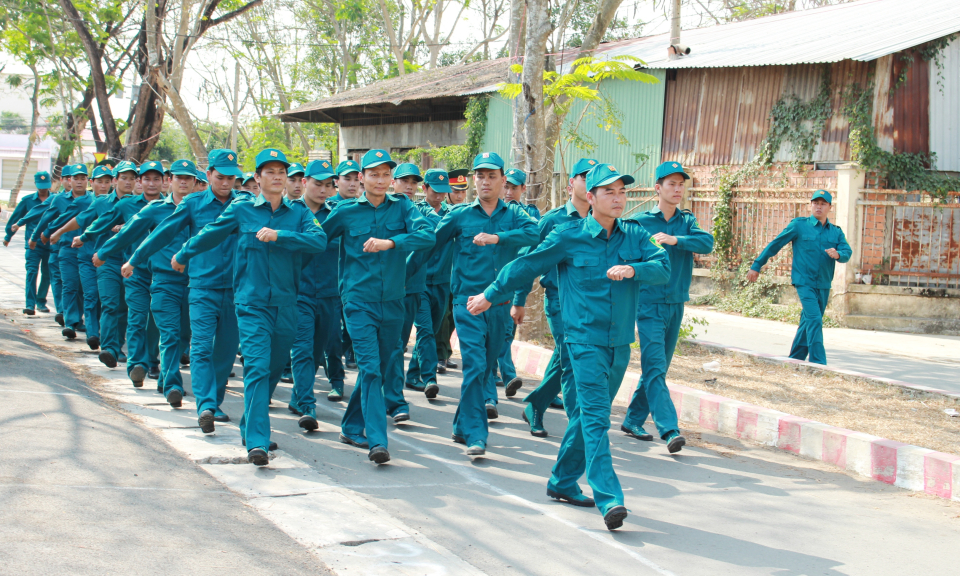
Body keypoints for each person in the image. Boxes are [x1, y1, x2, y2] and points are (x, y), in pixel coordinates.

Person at [468, 163, 670, 530]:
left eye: (622, 191)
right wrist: (490, 295)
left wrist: (633, 270)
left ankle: (562, 481)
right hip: (582, 341)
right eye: (609, 192)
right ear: (590, 197)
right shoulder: (567, 236)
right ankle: (610, 498)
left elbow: (663, 267)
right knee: (596, 417)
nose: (618, 198)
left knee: (586, 417)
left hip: (620, 342)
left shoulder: (637, 237)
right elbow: (525, 265)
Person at [172, 148, 327, 466]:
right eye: (269, 171)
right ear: (257, 178)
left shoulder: (298, 213)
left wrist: (280, 236)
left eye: (281, 172)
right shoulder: (242, 209)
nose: (277, 176)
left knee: (272, 368)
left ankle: (248, 426)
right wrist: (183, 254)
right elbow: (210, 234)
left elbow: (319, 241)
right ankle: (257, 441)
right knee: (256, 367)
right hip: (251, 303)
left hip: (286, 304)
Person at [322, 149, 434, 465]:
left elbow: (427, 236)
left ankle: (350, 426)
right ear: (361, 178)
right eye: (374, 174)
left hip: (393, 301)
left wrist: (392, 243)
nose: (381, 180)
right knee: (370, 368)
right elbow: (318, 241)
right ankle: (377, 441)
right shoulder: (345, 212)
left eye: (386, 174)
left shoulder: (403, 208)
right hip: (358, 302)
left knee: (380, 369)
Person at [428, 152, 538, 456]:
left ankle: (461, 424)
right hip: (467, 303)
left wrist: (498, 238)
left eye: (492, 176)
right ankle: (477, 434)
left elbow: (536, 233)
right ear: (474, 180)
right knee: (475, 365)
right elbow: (431, 245)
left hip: (499, 304)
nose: (485, 181)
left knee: (486, 368)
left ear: (504, 180)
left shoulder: (514, 215)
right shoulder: (460, 215)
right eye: (480, 175)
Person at [131, 150, 244, 431]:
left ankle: (213, 401)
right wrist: (135, 259)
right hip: (202, 288)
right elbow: (163, 233)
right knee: (202, 347)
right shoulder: (194, 204)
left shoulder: (246, 205)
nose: (226, 183)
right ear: (208, 175)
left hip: (236, 290)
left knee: (226, 352)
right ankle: (205, 404)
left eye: (231, 178)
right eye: (221, 177)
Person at [621, 162, 714, 452]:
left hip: (676, 304)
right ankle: (669, 428)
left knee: (656, 368)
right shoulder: (639, 223)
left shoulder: (687, 222)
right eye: (671, 184)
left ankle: (633, 419)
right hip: (648, 304)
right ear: (658, 188)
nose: (677, 189)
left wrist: (677, 240)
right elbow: (624, 257)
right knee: (656, 367)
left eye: (680, 184)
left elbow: (707, 243)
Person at [519, 159, 598, 437]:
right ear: (570, 185)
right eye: (584, 177)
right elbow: (529, 259)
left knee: (567, 354)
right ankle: (578, 425)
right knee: (572, 356)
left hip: (590, 304)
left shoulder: (601, 222)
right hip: (558, 300)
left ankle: (536, 402)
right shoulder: (553, 220)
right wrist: (518, 300)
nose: (589, 181)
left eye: (594, 178)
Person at [113, 160, 198, 407]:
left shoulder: (201, 209)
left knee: (181, 333)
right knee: (143, 320)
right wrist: (105, 250)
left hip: (191, 281)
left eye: (189, 178)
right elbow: (130, 234)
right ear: (170, 180)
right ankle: (144, 367)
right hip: (148, 275)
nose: (183, 182)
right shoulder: (154, 208)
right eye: (179, 177)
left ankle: (160, 372)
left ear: (195, 183)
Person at [747, 189, 851, 365]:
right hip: (804, 281)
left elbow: (847, 252)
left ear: (829, 207)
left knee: (808, 320)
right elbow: (775, 244)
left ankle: (795, 359)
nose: (819, 207)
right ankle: (819, 363)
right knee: (815, 318)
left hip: (824, 283)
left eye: (823, 204)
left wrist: (838, 254)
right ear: (810, 205)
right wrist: (757, 265)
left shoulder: (836, 232)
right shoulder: (799, 225)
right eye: (815, 203)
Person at [90, 161, 164, 385]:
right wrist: (85, 240)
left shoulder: (174, 207)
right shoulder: (125, 205)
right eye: (146, 179)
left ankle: (150, 359)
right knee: (126, 312)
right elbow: (99, 224)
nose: (150, 183)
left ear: (164, 181)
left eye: (156, 179)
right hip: (130, 268)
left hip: (164, 272)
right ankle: (125, 357)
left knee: (155, 319)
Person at [69, 161, 139, 367]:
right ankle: (110, 348)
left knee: (124, 305)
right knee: (109, 303)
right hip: (107, 260)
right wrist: (73, 235)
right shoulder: (101, 203)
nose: (128, 182)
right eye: (124, 178)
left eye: (132, 178)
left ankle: (118, 343)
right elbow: (86, 220)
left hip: (130, 260)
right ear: (115, 180)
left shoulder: (139, 204)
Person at [289, 159, 341, 427]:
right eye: (317, 184)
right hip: (299, 294)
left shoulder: (335, 214)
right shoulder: (290, 213)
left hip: (330, 294)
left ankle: (297, 396)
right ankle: (308, 405)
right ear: (304, 183)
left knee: (318, 350)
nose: (323, 190)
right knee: (303, 349)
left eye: (328, 185)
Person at [50, 164, 114, 349]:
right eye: (99, 182)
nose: (103, 186)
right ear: (92, 183)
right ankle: (88, 332)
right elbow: (72, 220)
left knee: (106, 298)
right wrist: (55, 232)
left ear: (112, 182)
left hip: (109, 258)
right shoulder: (84, 202)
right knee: (88, 293)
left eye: (107, 182)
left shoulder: (119, 203)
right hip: (85, 255)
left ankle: (103, 331)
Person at [405, 169, 453, 398]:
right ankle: (429, 378)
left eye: (444, 192)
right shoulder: (414, 212)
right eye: (435, 191)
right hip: (419, 281)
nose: (440, 196)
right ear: (424, 189)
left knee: (431, 331)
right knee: (424, 330)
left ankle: (412, 374)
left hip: (443, 282)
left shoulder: (452, 213)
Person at [33, 163, 90, 340]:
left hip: (87, 250)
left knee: (82, 287)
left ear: (87, 180)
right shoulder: (60, 199)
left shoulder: (93, 200)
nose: (79, 182)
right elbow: (47, 218)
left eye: (83, 178)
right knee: (70, 284)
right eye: (76, 178)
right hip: (66, 249)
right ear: (69, 180)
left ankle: (78, 319)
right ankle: (70, 322)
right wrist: (36, 236)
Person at [494, 167, 539, 395]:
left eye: (514, 187)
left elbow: (527, 258)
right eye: (506, 186)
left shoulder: (528, 216)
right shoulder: (492, 211)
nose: (509, 191)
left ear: (523, 189)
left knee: (505, 333)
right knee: (499, 332)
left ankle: (495, 371)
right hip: (491, 282)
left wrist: (520, 297)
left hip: (514, 282)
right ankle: (507, 373)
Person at [4, 171, 53, 315]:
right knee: (32, 272)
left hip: (50, 244)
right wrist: (8, 235)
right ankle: (30, 304)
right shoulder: (27, 201)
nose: (43, 189)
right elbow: (16, 218)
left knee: (47, 273)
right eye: (41, 186)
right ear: (36, 184)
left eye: (46, 186)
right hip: (33, 244)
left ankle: (41, 301)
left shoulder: (56, 199)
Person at [434, 168, 469, 371]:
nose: (459, 195)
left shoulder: (468, 212)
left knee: (453, 316)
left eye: (462, 191)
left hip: (461, 274)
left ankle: (445, 350)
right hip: (443, 271)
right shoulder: (444, 213)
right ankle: (440, 355)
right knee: (444, 314)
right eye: (455, 191)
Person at [331, 159, 363, 373]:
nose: (352, 184)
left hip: (354, 277)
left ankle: (349, 352)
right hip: (330, 275)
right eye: (346, 179)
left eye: (355, 179)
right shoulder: (332, 207)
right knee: (332, 329)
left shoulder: (363, 207)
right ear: (336, 181)